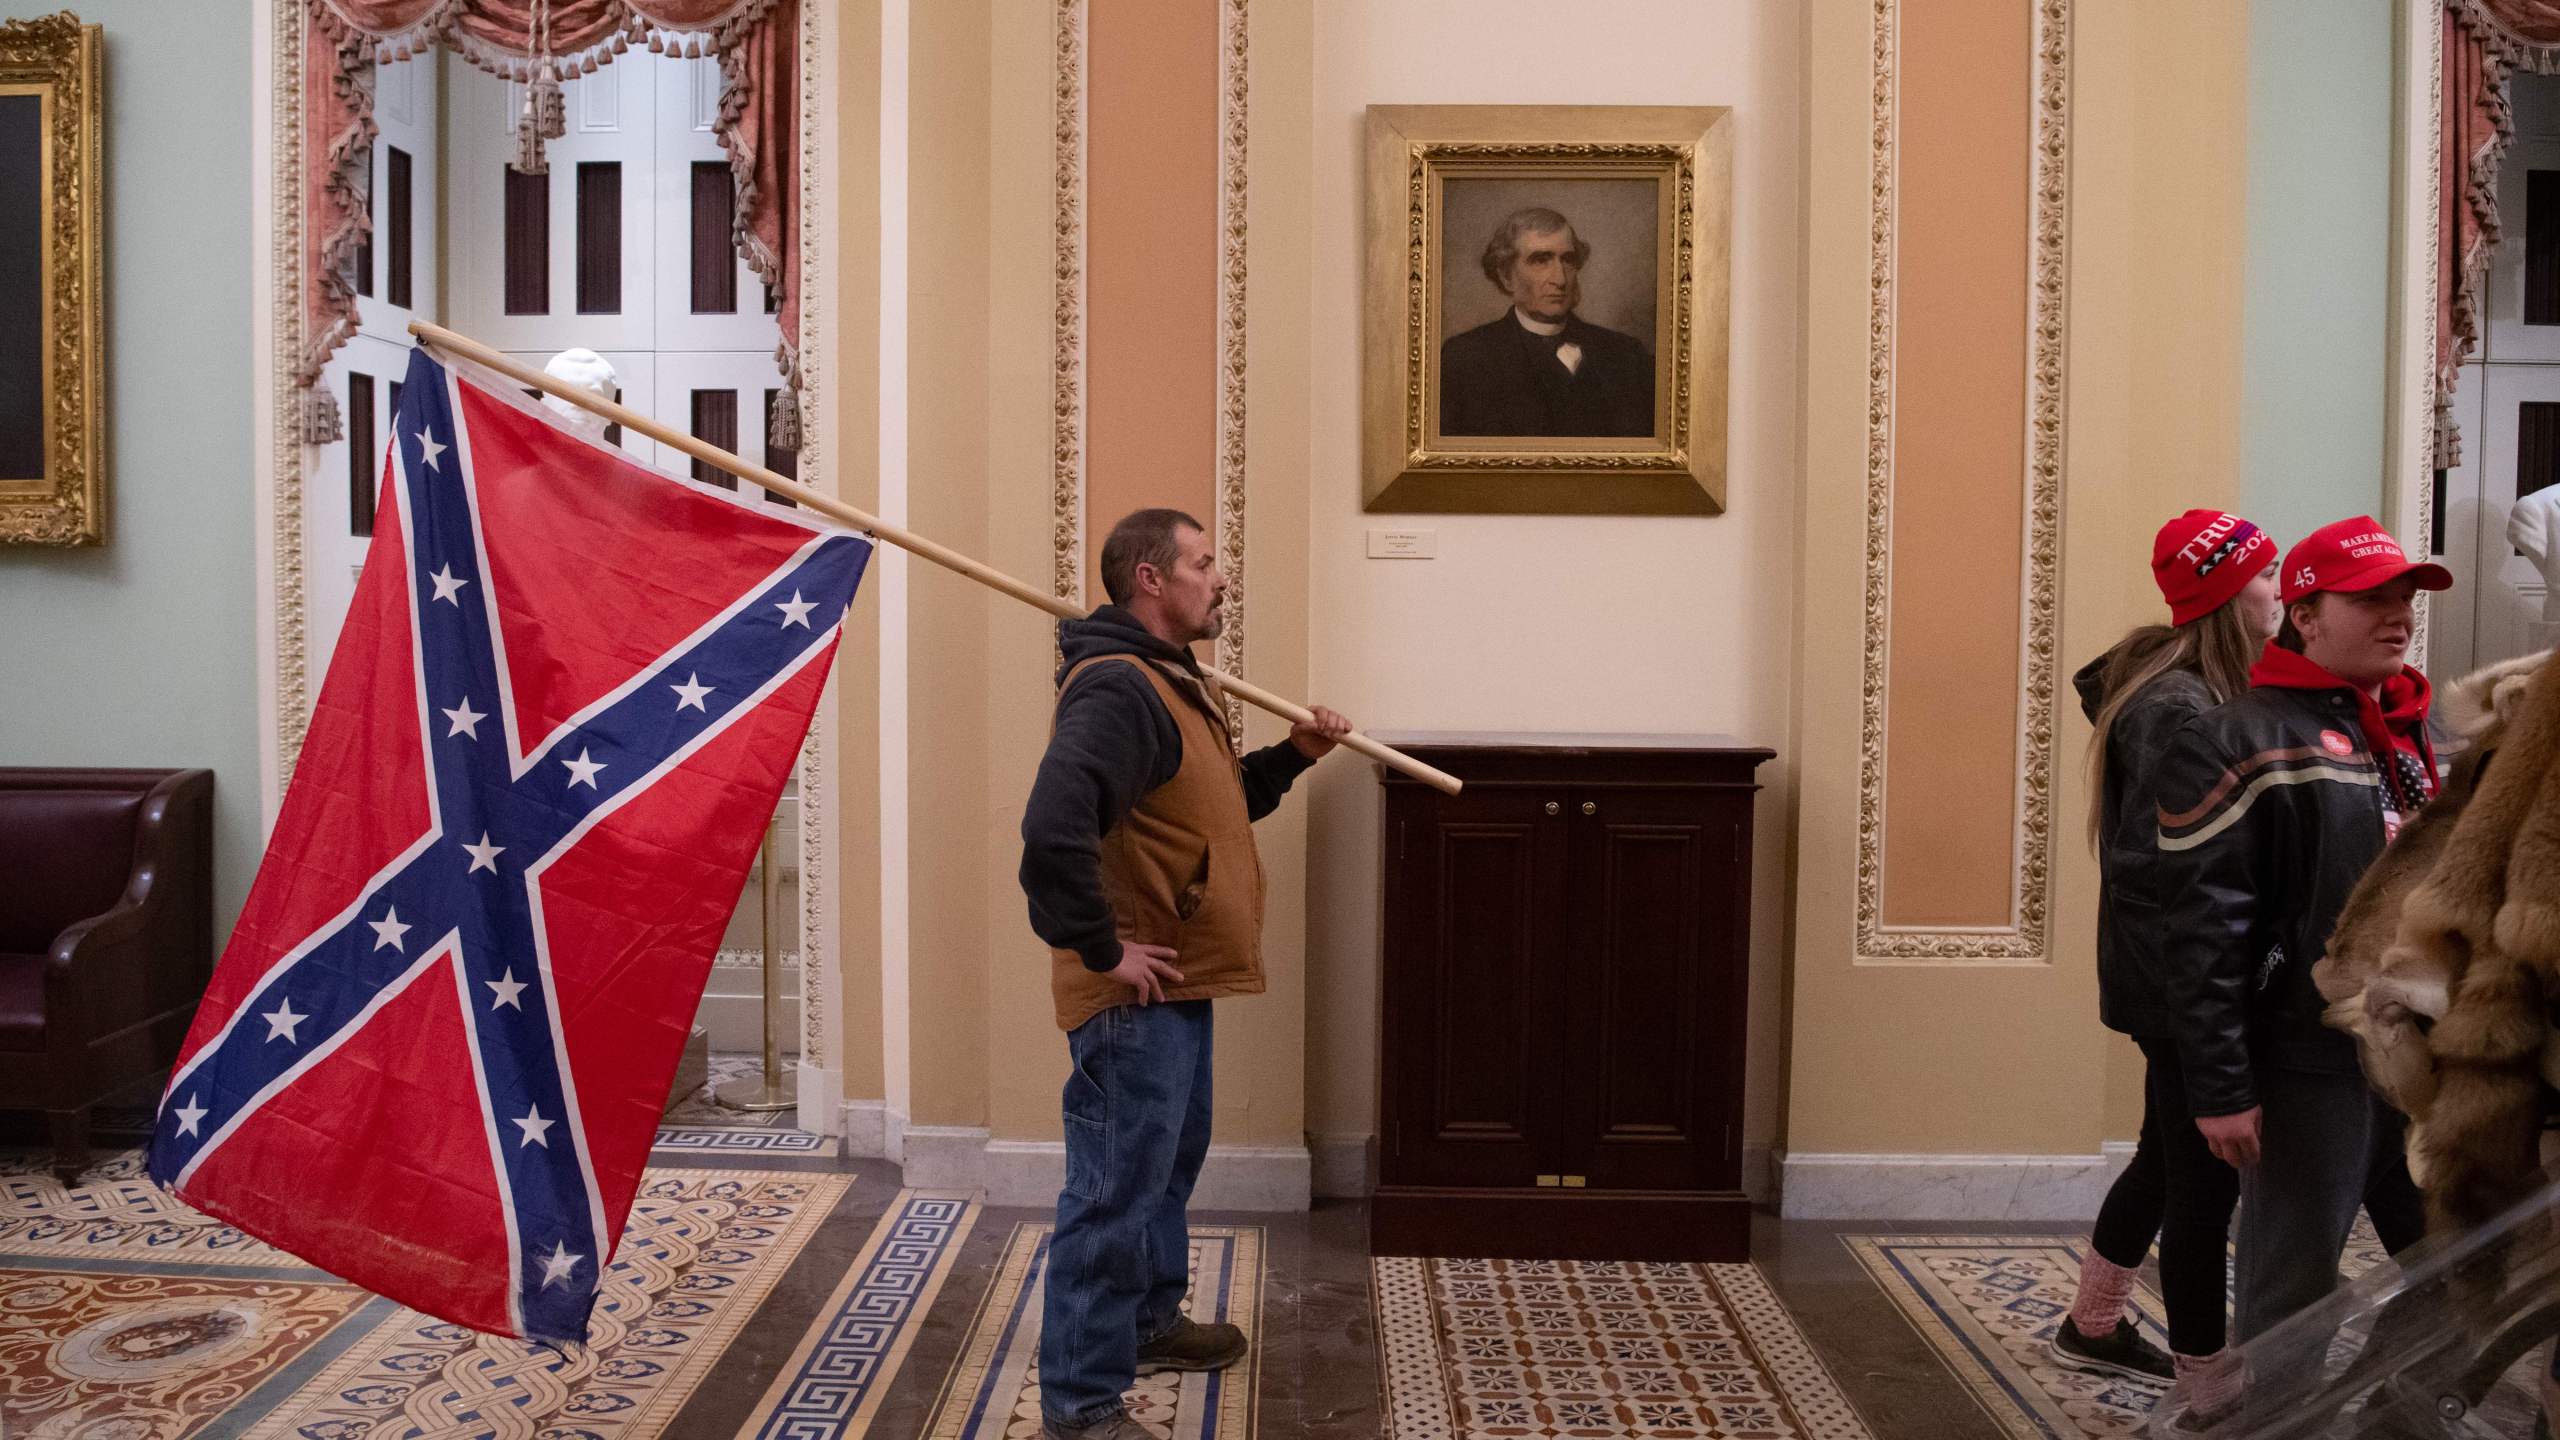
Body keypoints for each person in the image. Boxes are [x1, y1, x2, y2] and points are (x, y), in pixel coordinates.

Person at [1019, 507, 1353, 1440]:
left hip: (1179, 983)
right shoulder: (1119, 689)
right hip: (1134, 996)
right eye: (1205, 564)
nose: (1221, 578)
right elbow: (1052, 832)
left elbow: (1209, 814)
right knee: (1112, 1194)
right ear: (1151, 581)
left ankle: (1149, 1323)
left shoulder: (1173, 681)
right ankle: (1081, 1405)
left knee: (1163, 1171)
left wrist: (1295, 757)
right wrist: (1102, 949)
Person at [2155, 515, 2451, 1357]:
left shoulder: (2416, 730)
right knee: (2291, 1291)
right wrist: (2219, 1085)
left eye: (2404, 599)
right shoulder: (2233, 738)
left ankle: (2395, 1416)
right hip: (2308, 1062)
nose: (2398, 617)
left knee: (2463, 1261)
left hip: (2425, 1054)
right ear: (2306, 615)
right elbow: (2204, 933)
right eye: (2371, 602)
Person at [2049, 511, 2281, 1395]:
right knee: (2203, 1187)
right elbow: (2165, 874)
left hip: (2174, 976)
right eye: (2266, 573)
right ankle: (2206, 1380)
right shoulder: (2182, 709)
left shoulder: (2181, 688)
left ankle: (2093, 1323)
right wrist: (2214, 994)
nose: (2279, 588)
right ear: (2226, 592)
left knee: (2163, 1151)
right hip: (2184, 982)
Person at [1438, 206, 1653, 438]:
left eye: (1568, 260)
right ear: (1506, 275)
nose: (1560, 279)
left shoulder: (1627, 355)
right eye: (1541, 260)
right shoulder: (1464, 358)